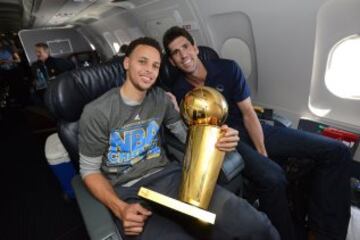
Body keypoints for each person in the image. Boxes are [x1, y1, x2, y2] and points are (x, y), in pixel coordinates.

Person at [78, 37, 280, 240]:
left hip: (172, 180)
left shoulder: (161, 100)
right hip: (128, 193)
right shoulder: (97, 112)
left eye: (155, 65)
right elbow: (89, 171)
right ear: (127, 62)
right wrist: (120, 209)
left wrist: (219, 137)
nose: (150, 69)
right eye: (142, 61)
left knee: (255, 224)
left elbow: (186, 137)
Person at [162, 26, 351, 240]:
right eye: (175, 52)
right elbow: (193, 135)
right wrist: (176, 113)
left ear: (195, 48)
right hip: (226, 138)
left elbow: (248, 113)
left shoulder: (227, 68)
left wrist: (262, 152)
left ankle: (324, 232)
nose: (183, 55)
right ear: (171, 62)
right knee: (273, 177)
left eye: (185, 47)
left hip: (253, 125)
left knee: (337, 151)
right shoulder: (179, 91)